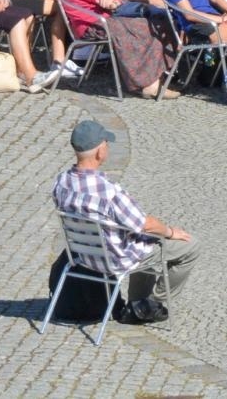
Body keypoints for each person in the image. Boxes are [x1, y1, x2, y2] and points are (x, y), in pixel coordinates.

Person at [52, 118, 197, 324]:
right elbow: (143, 223)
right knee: (190, 246)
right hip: (114, 258)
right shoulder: (108, 191)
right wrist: (171, 232)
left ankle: (138, 301)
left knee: (143, 239)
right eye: (106, 144)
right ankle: (149, 304)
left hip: (82, 257)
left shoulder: (61, 182)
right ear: (100, 152)